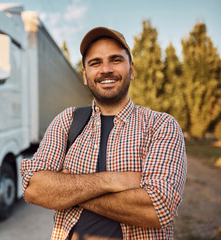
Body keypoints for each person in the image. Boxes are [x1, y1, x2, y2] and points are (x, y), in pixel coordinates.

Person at [21, 27, 187, 240]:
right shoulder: (68, 121)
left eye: (115, 60)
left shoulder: (161, 125)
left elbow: (158, 208)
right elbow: (34, 189)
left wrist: (65, 190)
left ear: (132, 69)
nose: (106, 69)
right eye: (95, 63)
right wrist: (113, 181)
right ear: (85, 75)